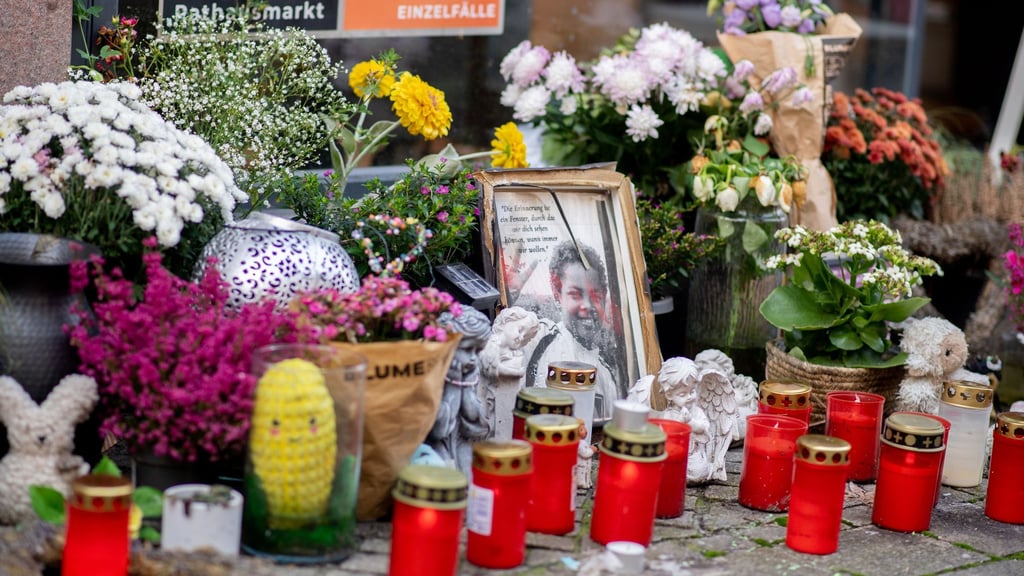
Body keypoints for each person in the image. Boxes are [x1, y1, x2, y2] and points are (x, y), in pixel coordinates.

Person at [523, 240, 622, 422]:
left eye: (596, 296)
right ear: (557, 293)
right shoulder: (538, 340)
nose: (588, 306)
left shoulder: (606, 376)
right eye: (575, 295)